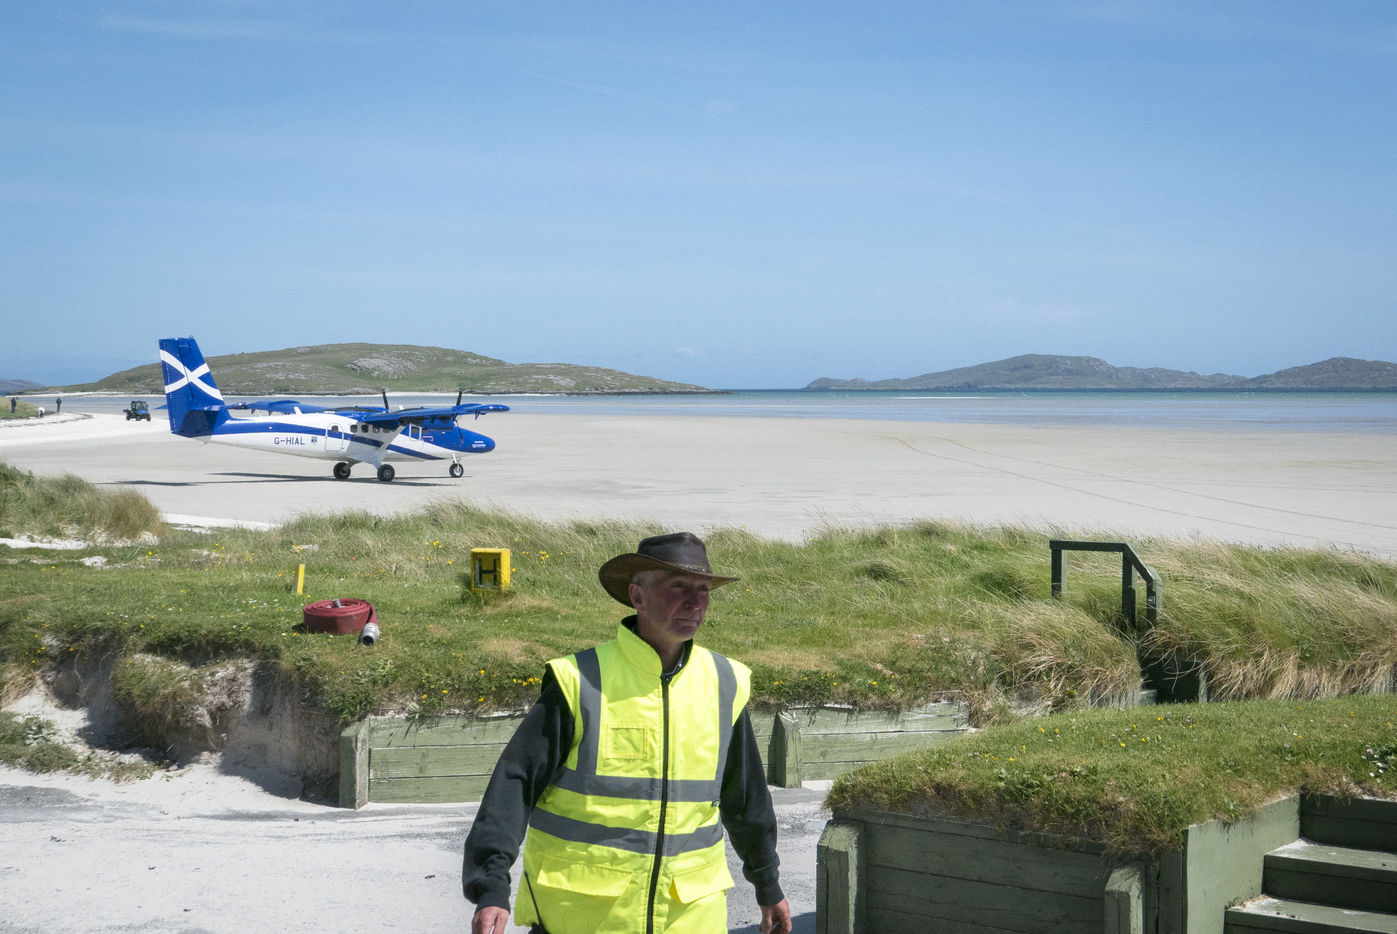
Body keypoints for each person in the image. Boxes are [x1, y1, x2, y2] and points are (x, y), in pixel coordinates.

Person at [463, 532, 793, 934]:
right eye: (678, 586)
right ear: (638, 596)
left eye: (703, 590)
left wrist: (768, 884)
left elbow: (746, 799)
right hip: (583, 918)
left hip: (690, 919)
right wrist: (491, 886)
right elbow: (513, 785)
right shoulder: (579, 680)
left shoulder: (726, 682)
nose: (695, 601)